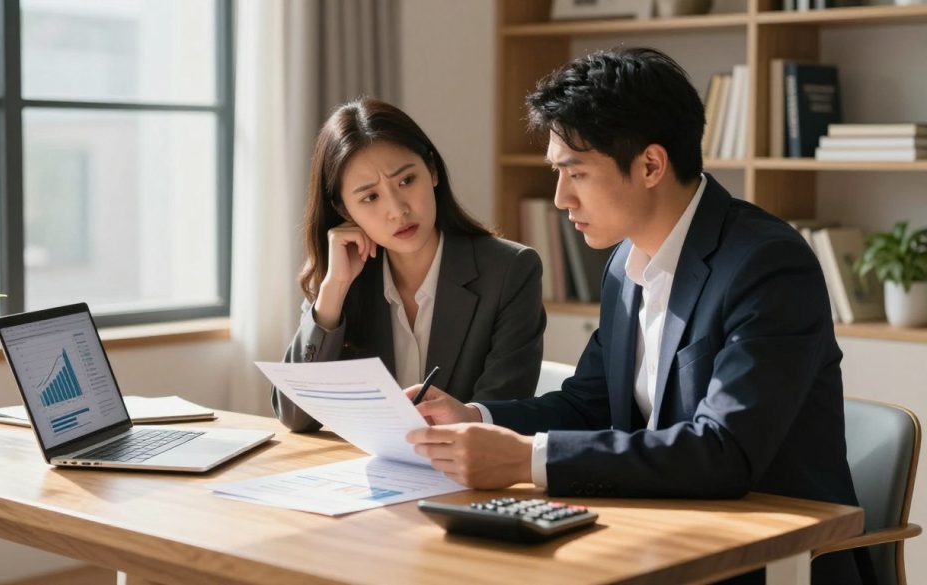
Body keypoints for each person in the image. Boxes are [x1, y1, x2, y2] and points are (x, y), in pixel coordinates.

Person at [404, 48, 869, 584]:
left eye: (574, 173)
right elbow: (590, 404)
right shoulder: (626, 263)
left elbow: (722, 451)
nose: (559, 198)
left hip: (768, 561)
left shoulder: (767, 265)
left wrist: (524, 460)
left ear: (651, 165)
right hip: (661, 537)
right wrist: (477, 418)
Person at [272, 97, 546, 433]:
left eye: (406, 181)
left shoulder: (510, 271)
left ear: (431, 170)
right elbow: (295, 416)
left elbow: (498, 417)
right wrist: (333, 291)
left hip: (465, 477)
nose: (398, 210)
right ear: (344, 210)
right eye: (370, 197)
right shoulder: (341, 277)